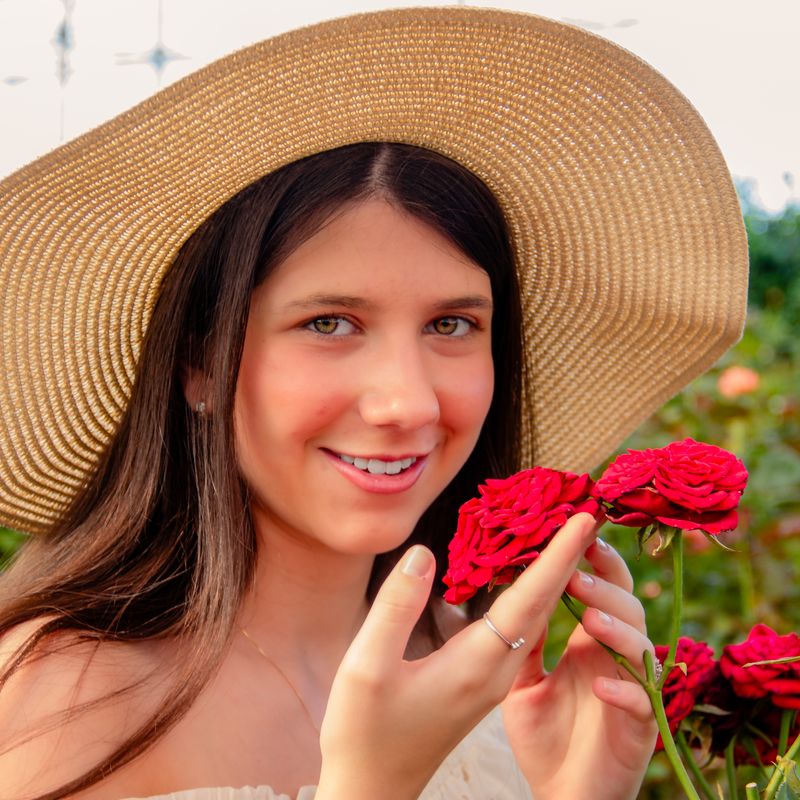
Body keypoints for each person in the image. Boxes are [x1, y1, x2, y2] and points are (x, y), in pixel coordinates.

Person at [0, 7, 749, 800]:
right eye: (329, 323)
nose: (407, 401)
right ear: (199, 367)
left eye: (452, 324)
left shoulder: (483, 674)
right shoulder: (64, 700)